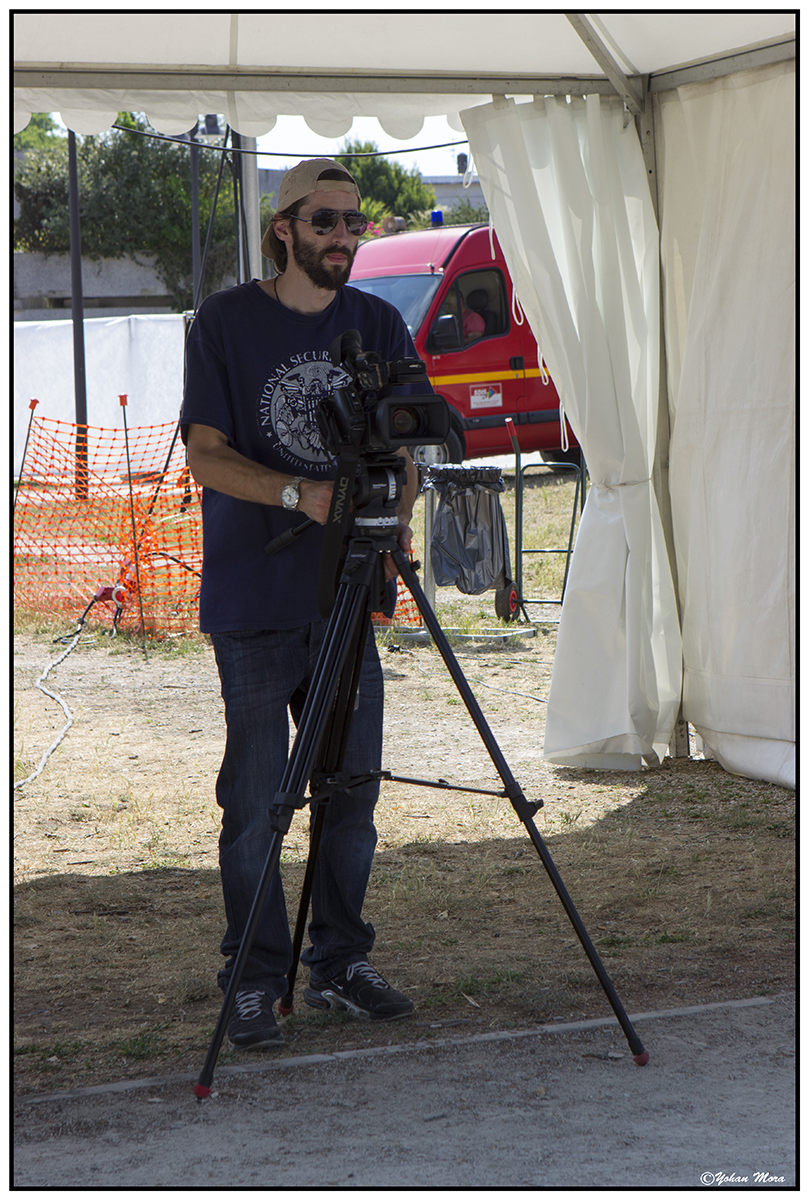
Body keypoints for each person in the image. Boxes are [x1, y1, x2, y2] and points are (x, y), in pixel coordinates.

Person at [180, 158, 420, 1050]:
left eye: (355, 223)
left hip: (349, 596)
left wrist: (394, 514)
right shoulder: (225, 321)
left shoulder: (378, 321)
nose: (343, 237)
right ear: (284, 228)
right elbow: (204, 453)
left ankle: (340, 962)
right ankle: (252, 976)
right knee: (255, 802)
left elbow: (409, 447)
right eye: (325, 221)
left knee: (350, 793)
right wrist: (299, 493)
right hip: (255, 598)